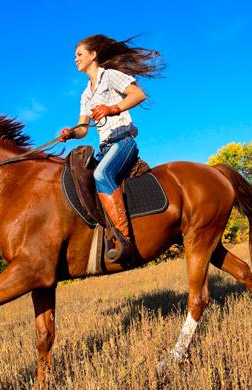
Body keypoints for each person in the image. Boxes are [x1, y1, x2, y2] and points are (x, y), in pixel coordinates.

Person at [59, 34, 164, 264]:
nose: (75, 59)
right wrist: (70, 133)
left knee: (101, 174)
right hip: (105, 148)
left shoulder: (110, 76)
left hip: (123, 142)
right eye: (74, 56)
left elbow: (138, 94)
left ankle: (125, 241)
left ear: (93, 55)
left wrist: (112, 108)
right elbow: (83, 129)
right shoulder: (86, 94)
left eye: (79, 54)